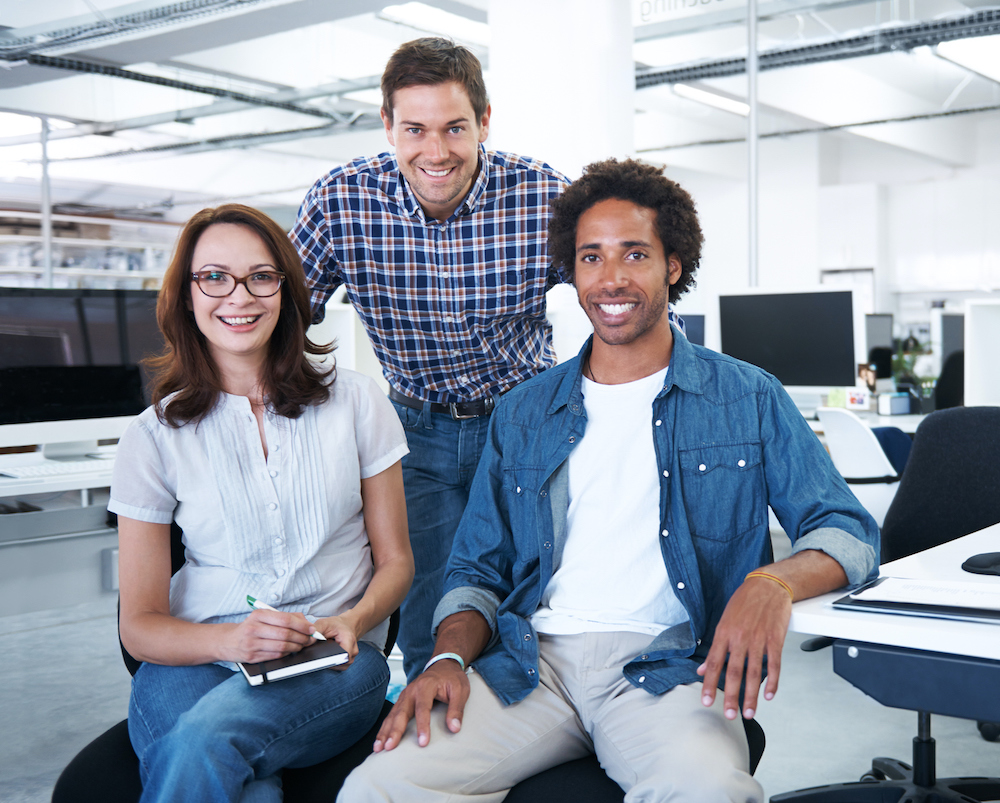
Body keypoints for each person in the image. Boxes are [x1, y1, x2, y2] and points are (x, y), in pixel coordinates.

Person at [339, 158, 880, 802]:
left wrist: (772, 581)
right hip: (532, 667)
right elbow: (475, 571)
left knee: (705, 792)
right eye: (591, 258)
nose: (611, 278)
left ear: (672, 266)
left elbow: (847, 530)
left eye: (634, 254)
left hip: (669, 669)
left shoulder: (747, 396)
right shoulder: (525, 411)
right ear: (572, 273)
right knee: (379, 787)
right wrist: (449, 657)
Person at [288, 37, 572, 681]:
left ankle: (538, 743)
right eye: (414, 128)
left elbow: (620, 294)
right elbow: (276, 314)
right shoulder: (342, 200)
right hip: (414, 435)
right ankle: (435, 752)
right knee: (429, 625)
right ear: (388, 125)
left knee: (540, 603)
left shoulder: (542, 194)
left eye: (455, 127)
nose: (436, 151)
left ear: (484, 122)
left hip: (525, 425)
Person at [110, 204, 414, 802]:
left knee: (203, 744)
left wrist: (352, 621)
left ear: (286, 291)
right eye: (214, 277)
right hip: (194, 655)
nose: (239, 297)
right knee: (243, 786)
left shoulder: (355, 401)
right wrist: (232, 643)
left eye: (261, 277)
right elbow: (140, 626)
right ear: (187, 296)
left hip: (329, 661)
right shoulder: (152, 436)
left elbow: (397, 561)